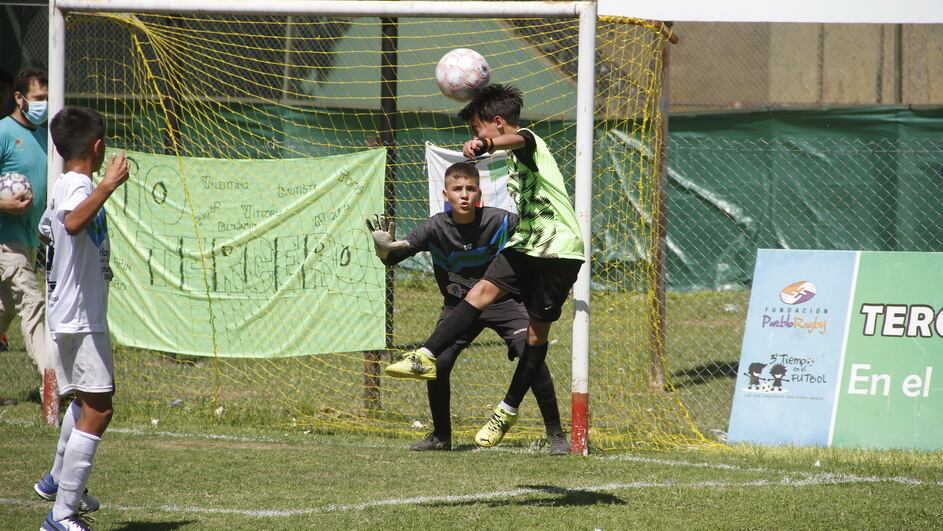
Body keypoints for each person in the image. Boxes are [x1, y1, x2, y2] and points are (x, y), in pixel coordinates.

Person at [383, 84, 585, 449]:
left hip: (558, 248)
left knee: (535, 341)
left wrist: (487, 144)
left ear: (495, 123)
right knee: (480, 291)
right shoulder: (440, 222)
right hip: (528, 243)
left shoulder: (528, 142)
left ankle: (523, 416)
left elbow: (518, 138)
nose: (473, 136)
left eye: (476, 129)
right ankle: (426, 358)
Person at [369, 162, 570, 454]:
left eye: (470, 189)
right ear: (445, 193)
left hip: (504, 303)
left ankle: (556, 434)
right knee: (436, 363)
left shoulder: (502, 222)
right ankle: (440, 436)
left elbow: (539, 238)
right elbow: (392, 259)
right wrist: (382, 248)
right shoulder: (434, 227)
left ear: (480, 194)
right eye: (457, 189)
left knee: (532, 355)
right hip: (459, 308)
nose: (464, 195)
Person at [33, 106, 130, 530]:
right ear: (98, 146)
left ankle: (58, 479)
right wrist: (107, 186)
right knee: (100, 410)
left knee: (88, 402)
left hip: (67, 312)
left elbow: (46, 228)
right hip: (80, 316)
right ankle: (63, 513)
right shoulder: (79, 189)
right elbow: (71, 222)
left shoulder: (63, 185)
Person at [0, 69, 48, 368]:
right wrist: (5, 204)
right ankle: (52, 384)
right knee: (32, 301)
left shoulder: (46, 135)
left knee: (5, 309)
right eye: (38, 98)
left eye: (48, 98)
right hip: (5, 237)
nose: (45, 103)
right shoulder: (3, 132)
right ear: (19, 98)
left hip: (30, 238)